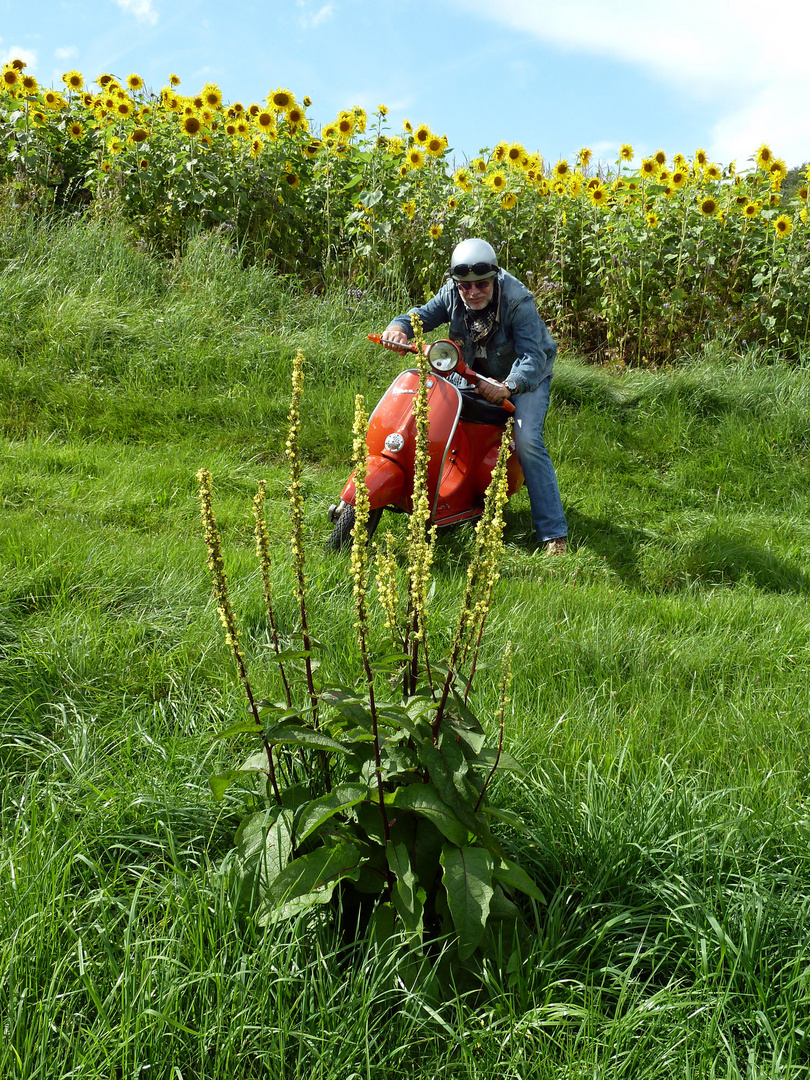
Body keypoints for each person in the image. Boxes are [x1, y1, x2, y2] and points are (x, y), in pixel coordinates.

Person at [381, 237, 568, 554]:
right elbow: (423, 315)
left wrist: (508, 385)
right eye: (465, 286)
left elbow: (534, 357)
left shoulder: (517, 300)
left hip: (524, 377)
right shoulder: (453, 293)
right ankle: (445, 498)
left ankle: (553, 533)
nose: (472, 292)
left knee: (526, 440)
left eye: (481, 283)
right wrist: (399, 327)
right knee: (435, 410)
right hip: (469, 370)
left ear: (494, 277)